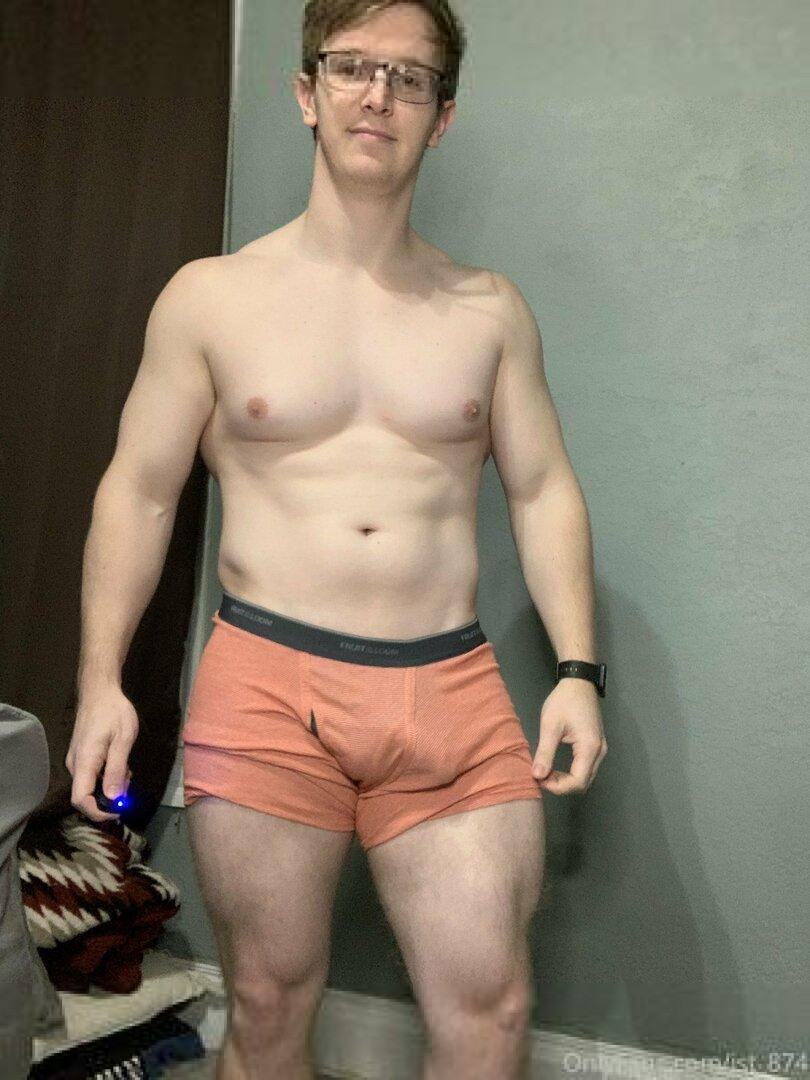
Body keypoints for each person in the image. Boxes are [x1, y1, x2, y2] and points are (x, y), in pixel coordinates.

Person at [66, 1, 608, 1077]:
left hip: (447, 692)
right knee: (268, 1004)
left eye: (410, 78)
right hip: (268, 684)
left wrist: (579, 670)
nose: (378, 95)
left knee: (492, 1007)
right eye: (354, 66)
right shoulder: (210, 298)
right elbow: (140, 493)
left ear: (441, 117)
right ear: (307, 92)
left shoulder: (491, 311)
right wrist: (100, 681)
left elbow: (544, 489)